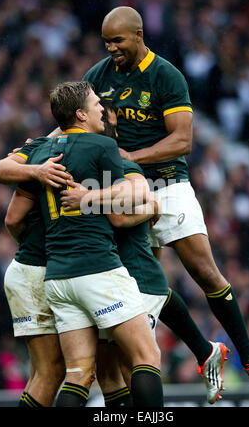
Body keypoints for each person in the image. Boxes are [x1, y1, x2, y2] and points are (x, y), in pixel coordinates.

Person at [81, 6, 249, 400]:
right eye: (106, 42)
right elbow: (76, 120)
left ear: (138, 35)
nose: (111, 48)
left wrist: (129, 157)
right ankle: (206, 353)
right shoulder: (97, 76)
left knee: (205, 274)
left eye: (117, 41)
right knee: (148, 282)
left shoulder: (167, 76)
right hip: (123, 190)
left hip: (169, 185)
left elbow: (182, 140)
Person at [61, 100, 230, 405]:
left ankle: (203, 353)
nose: (110, 126)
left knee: (135, 362)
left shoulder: (122, 167)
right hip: (104, 280)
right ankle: (206, 350)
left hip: (136, 279)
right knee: (108, 372)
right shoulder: (81, 164)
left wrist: (147, 204)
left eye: (109, 120)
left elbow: (119, 217)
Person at [15, 80, 164, 407]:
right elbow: (126, 200)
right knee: (146, 355)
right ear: (81, 114)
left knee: (79, 372)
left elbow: (10, 209)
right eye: (97, 105)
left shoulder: (39, 152)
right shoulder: (102, 146)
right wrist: (93, 197)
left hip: (57, 276)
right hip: (96, 267)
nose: (104, 111)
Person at [3, 190, 65, 407]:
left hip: (32, 272)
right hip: (33, 272)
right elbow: (11, 219)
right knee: (52, 370)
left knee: (41, 371)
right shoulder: (42, 164)